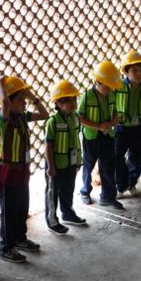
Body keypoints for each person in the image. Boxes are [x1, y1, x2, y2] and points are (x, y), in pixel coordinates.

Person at [0, 76, 47, 263]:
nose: (24, 103)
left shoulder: (22, 116)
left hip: (22, 171)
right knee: (8, 211)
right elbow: (4, 102)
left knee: (21, 207)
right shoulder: (4, 119)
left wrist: (32, 97)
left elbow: (45, 115)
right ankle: (6, 246)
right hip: (8, 172)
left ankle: (20, 238)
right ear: (10, 102)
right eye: (20, 100)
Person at [42, 82, 88, 233]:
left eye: (75, 99)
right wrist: (50, 167)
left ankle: (67, 213)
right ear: (59, 103)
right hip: (56, 165)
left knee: (68, 189)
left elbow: (76, 139)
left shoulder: (75, 117)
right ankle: (52, 221)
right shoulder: (53, 121)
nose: (74, 103)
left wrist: (78, 161)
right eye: (69, 100)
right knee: (53, 193)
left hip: (71, 162)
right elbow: (48, 146)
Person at [77, 61, 123, 212]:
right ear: (98, 81)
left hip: (108, 135)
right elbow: (79, 118)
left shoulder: (112, 94)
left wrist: (114, 120)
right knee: (88, 164)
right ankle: (85, 191)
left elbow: (114, 111)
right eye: (107, 86)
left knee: (108, 165)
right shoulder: (87, 96)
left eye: (111, 87)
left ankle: (108, 197)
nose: (110, 89)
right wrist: (98, 126)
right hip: (91, 136)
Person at [112, 51, 141, 197]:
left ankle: (131, 183)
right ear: (126, 72)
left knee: (137, 157)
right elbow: (110, 101)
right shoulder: (118, 86)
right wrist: (113, 117)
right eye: (134, 70)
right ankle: (120, 186)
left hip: (140, 127)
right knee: (117, 156)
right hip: (122, 127)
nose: (139, 74)